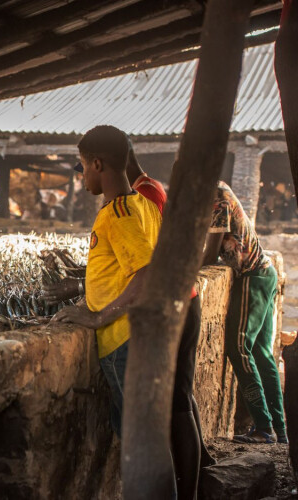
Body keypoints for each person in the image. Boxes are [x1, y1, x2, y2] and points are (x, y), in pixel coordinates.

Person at [50, 125, 202, 498]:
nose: (83, 175)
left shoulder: (117, 213)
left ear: (98, 163)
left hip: (123, 341)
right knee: (151, 437)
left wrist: (98, 316)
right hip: (145, 335)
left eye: (83, 166)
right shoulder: (144, 205)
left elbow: (147, 273)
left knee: (141, 444)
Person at [203, 181, 287, 444]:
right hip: (264, 273)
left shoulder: (217, 198)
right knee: (262, 354)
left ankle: (263, 426)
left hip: (252, 276)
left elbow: (209, 255)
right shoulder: (220, 190)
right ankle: (279, 429)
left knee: (238, 348)